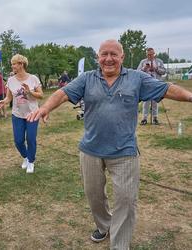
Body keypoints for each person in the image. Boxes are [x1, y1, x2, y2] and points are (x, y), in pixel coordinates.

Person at [27, 39, 192, 249]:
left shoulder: (136, 78)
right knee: (94, 196)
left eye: (114, 54)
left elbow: (167, 89)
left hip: (124, 152)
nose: (108, 59)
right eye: (104, 54)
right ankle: (104, 225)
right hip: (90, 150)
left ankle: (119, 244)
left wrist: (190, 97)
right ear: (98, 57)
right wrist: (45, 108)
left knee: (125, 200)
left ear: (122, 57)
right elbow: (62, 93)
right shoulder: (87, 78)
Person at [0, 54, 43, 173]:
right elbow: (9, 98)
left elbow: (41, 95)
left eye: (14, 64)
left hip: (32, 113)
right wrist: (4, 102)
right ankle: (26, 157)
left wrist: (30, 92)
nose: (12, 66)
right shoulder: (11, 80)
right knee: (18, 141)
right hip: (17, 115)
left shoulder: (33, 78)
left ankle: (31, 162)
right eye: (12, 64)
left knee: (31, 138)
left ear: (21, 64)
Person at [137, 48, 166, 125]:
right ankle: (144, 119)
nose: (150, 56)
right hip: (146, 85)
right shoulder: (143, 62)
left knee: (155, 102)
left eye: (151, 54)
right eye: (148, 54)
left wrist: (156, 68)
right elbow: (137, 72)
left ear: (154, 54)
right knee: (146, 102)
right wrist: (145, 68)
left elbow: (163, 71)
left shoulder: (159, 61)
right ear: (146, 54)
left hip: (157, 84)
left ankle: (155, 118)